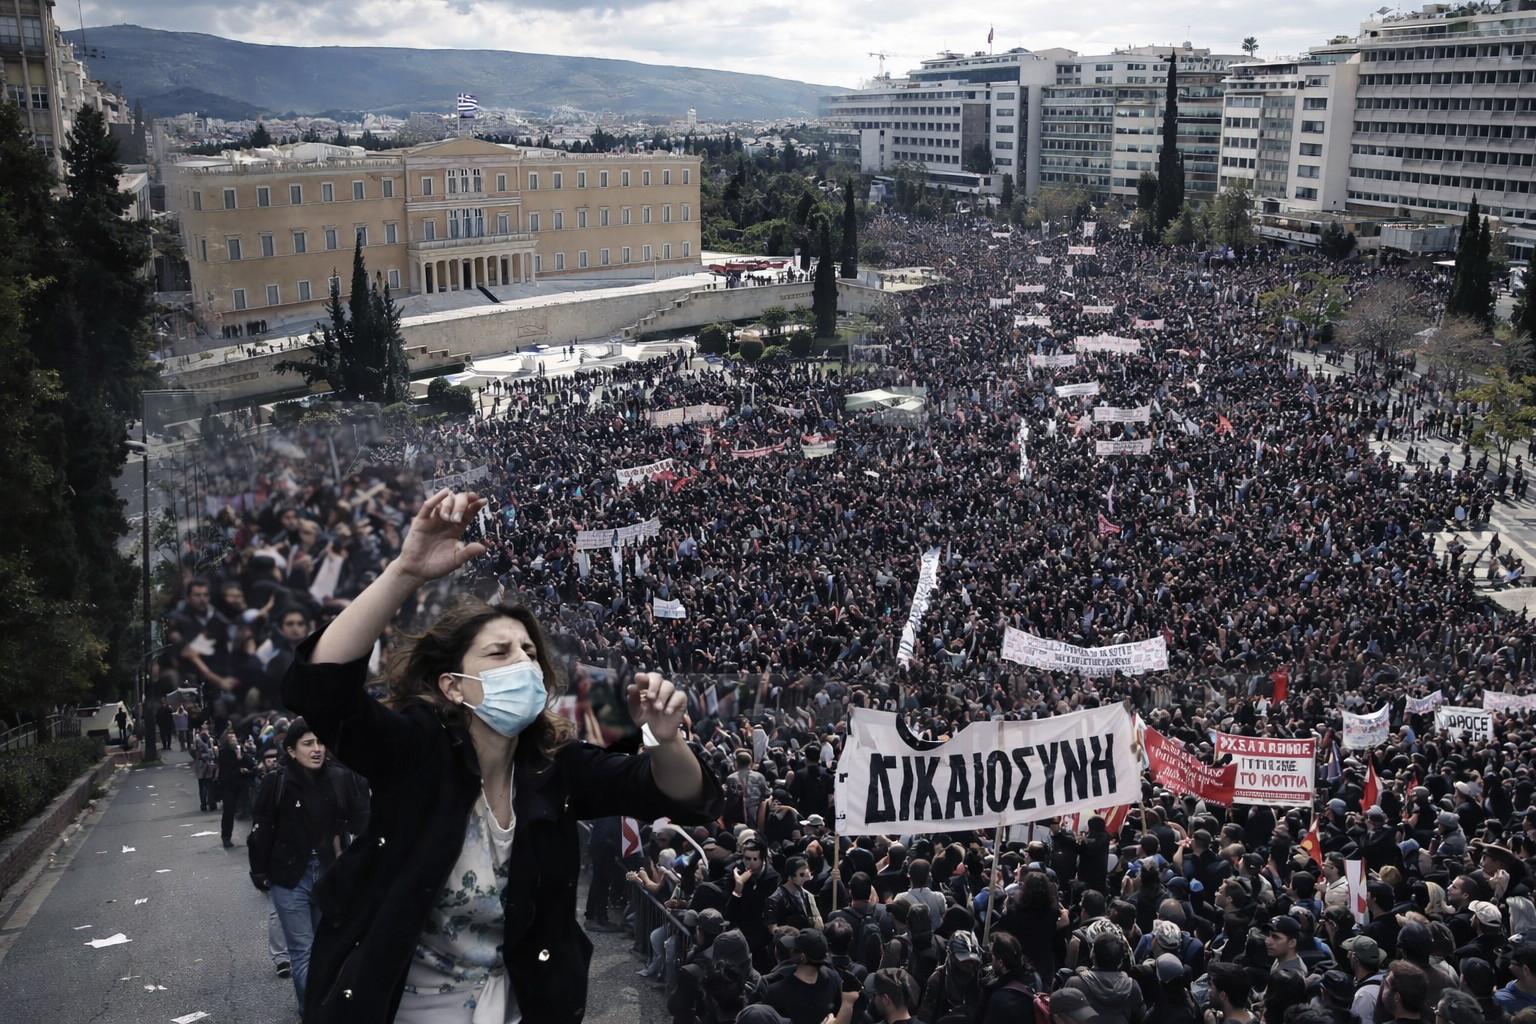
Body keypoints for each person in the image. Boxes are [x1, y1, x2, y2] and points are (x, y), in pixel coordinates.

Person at [281, 487, 723, 1023]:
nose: (523, 663)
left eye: (530, 653)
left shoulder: (556, 767)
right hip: (399, 1005)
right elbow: (322, 689)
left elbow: (676, 794)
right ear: (452, 685)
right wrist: (405, 572)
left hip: (517, 1006)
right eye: (499, 652)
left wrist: (666, 739)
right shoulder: (415, 751)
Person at [247, 717, 371, 1008]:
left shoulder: (340, 776)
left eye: (320, 742)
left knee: (326, 949)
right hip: (290, 876)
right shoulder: (276, 781)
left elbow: (361, 821)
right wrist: (259, 872)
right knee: (303, 951)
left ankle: (319, 1007)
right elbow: (261, 829)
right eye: (308, 743)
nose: (317, 749)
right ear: (291, 750)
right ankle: (313, 1011)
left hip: (330, 873)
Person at [216, 727, 256, 848]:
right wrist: (238, 767)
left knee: (250, 810)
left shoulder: (243, 750)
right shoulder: (223, 752)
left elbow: (251, 765)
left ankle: (254, 836)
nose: (233, 739)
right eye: (231, 735)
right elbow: (227, 768)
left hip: (242, 784)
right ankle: (226, 836)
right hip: (228, 785)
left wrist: (242, 757)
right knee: (229, 810)